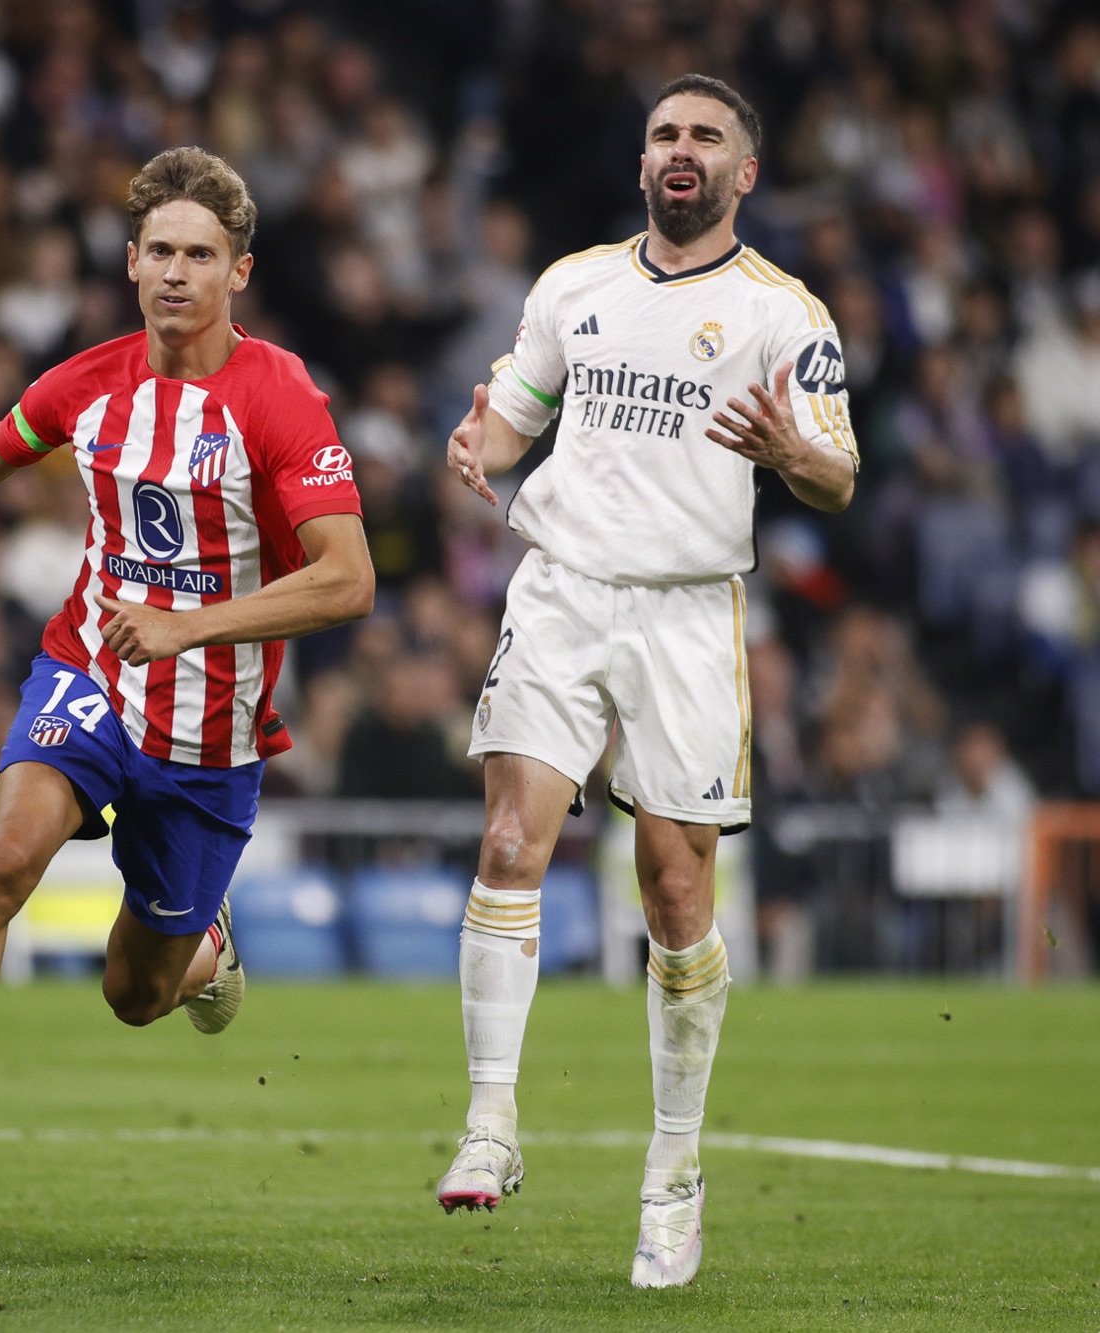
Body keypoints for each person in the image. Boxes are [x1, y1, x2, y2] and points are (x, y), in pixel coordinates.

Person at [0, 146, 375, 1217]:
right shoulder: (86, 384)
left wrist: (189, 626)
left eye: (200, 254)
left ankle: (203, 946)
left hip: (208, 730)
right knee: (3, 857)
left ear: (239, 270)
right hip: (89, 671)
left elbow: (347, 580)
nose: (174, 273)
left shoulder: (280, 400)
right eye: (157, 252)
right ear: (130, 261)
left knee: (133, 994)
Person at [436, 75, 857, 1288]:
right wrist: (481, 443)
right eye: (664, 134)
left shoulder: (785, 315)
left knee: (674, 895)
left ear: (743, 174)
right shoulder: (573, 285)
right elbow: (515, 413)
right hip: (562, 585)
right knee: (511, 838)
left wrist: (794, 454)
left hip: (685, 614)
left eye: (705, 138)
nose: (681, 151)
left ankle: (671, 1177)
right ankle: (489, 1122)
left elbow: (837, 473)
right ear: (640, 165)